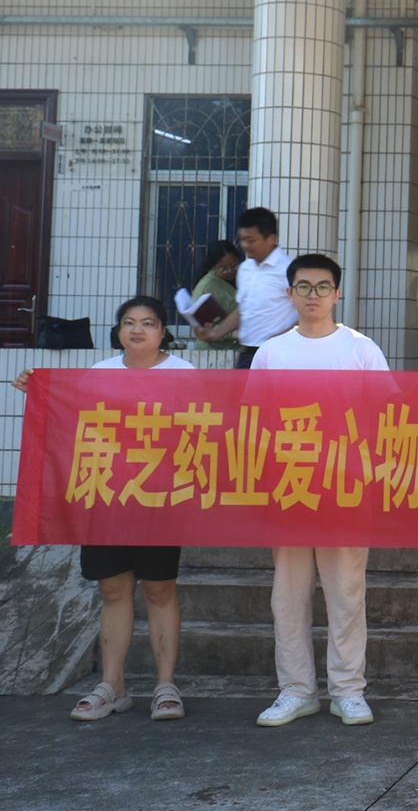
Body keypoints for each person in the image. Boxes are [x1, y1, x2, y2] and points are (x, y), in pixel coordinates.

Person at [11, 297, 193, 722]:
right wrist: (41, 392)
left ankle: (166, 685)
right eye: (129, 322)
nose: (137, 330)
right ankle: (113, 687)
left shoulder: (183, 374)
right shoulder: (100, 373)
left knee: (159, 589)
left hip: (159, 498)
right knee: (112, 589)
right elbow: (71, 422)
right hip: (105, 495)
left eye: (148, 323)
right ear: (118, 331)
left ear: (163, 332)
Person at [249, 253, 389, 730]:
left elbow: (388, 415)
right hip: (289, 487)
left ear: (337, 293)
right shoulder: (271, 352)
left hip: (346, 488)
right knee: (288, 596)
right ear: (289, 293)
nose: (314, 295)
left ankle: (348, 691)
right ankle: (296, 690)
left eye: (323, 286)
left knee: (346, 593)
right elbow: (254, 421)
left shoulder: (361, 349)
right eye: (304, 287)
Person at [195, 207, 296, 368]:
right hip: (247, 353)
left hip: (279, 355)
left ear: (271, 239)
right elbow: (243, 310)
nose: (245, 245)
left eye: (251, 240)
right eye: (242, 239)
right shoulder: (245, 269)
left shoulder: (288, 270)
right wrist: (215, 334)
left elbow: (304, 315)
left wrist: (278, 340)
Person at [190, 239, 242, 351]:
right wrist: (232, 333)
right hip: (212, 351)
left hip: (239, 347)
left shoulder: (245, 276)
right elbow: (200, 326)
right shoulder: (206, 287)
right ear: (213, 266)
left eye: (234, 265)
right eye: (223, 268)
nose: (230, 271)